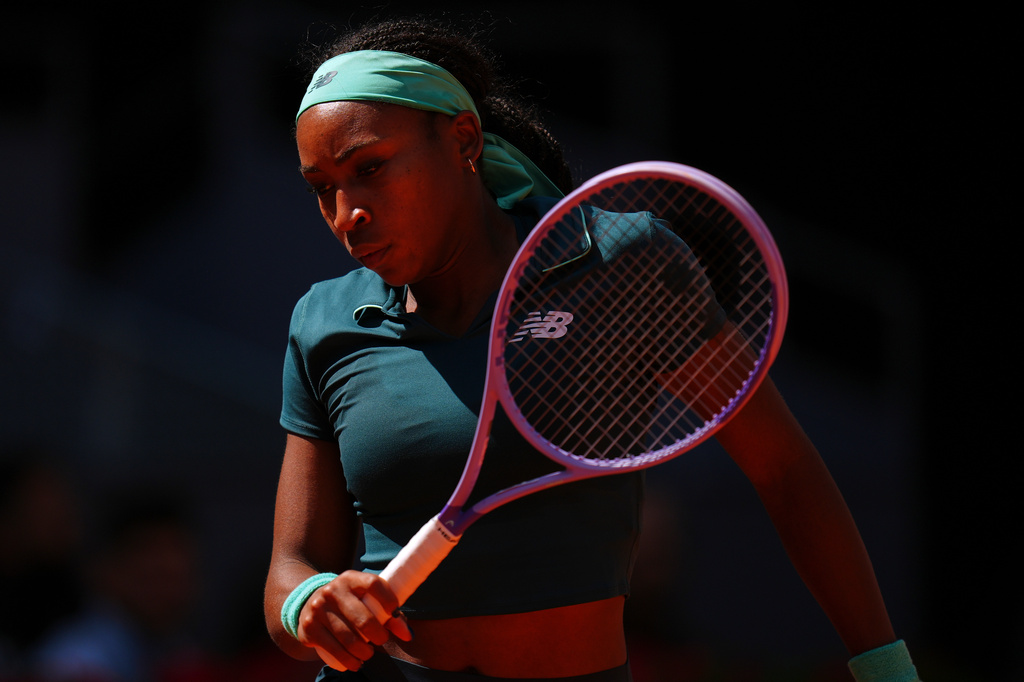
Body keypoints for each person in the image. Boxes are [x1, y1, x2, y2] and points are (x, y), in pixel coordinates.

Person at [264, 16, 920, 682]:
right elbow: (290, 569)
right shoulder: (324, 321)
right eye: (323, 188)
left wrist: (886, 668)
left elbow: (784, 471)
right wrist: (308, 606)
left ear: (463, 140)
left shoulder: (618, 263)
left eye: (370, 167)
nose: (347, 213)